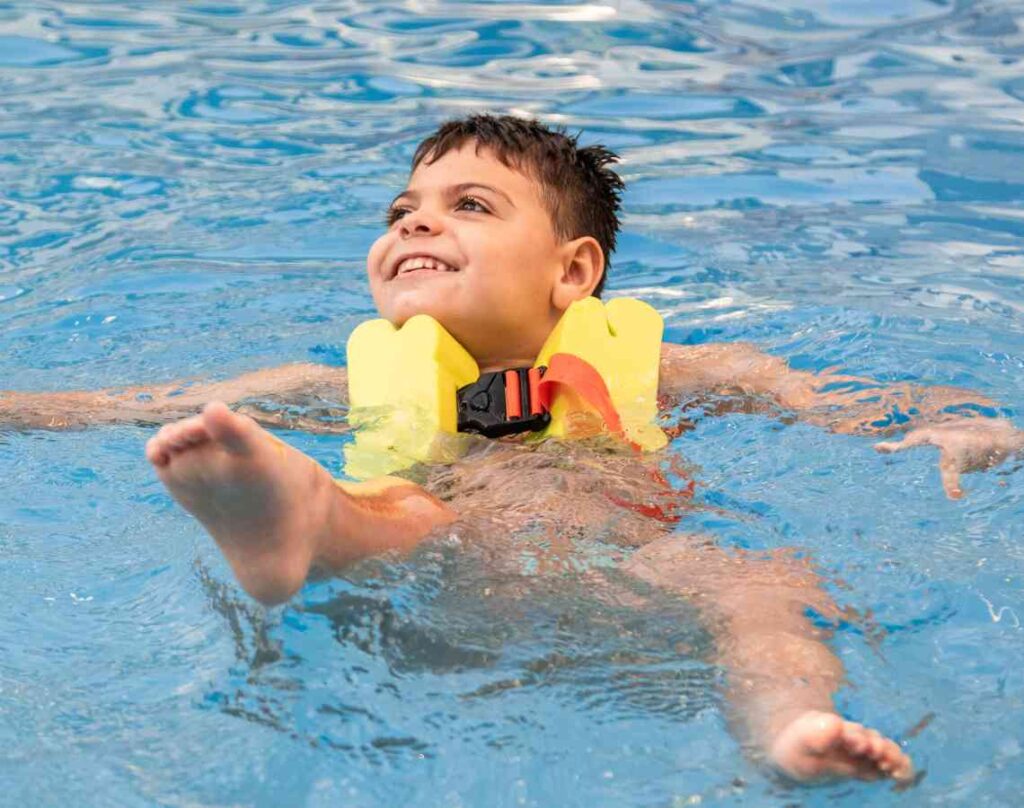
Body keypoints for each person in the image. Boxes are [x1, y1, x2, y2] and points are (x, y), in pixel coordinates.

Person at [3, 115, 1021, 784]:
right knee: (413, 514)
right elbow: (124, 402)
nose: (415, 224)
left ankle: (788, 727)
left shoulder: (666, 366)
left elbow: (829, 396)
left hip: (638, 568)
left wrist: (952, 416)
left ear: (575, 271)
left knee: (761, 584)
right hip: (440, 559)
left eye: (467, 206)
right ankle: (296, 517)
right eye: (401, 211)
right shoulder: (349, 383)